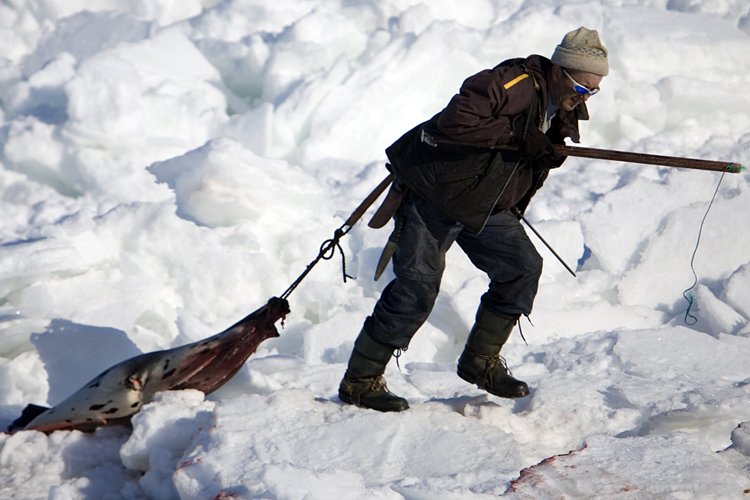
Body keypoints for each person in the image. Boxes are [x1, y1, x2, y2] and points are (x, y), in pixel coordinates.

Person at [338, 27, 609, 412]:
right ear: (561, 71)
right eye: (583, 87)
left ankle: (479, 362)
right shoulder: (512, 82)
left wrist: (541, 154)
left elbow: (525, 155)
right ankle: (359, 382)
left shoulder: (563, 104)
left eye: (593, 91)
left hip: (484, 204)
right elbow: (455, 122)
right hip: (436, 195)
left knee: (521, 268)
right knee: (417, 288)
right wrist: (519, 136)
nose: (585, 98)